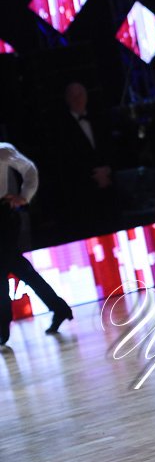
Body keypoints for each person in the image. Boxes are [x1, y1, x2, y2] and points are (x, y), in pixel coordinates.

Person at [0, 142, 73, 345]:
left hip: (3, 217)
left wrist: (25, 196)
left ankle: (3, 326)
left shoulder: (2, 149)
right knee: (19, 268)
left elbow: (29, 169)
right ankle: (59, 308)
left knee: (5, 269)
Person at [56, 82, 116, 240]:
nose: (77, 99)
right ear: (67, 100)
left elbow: (111, 149)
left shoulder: (99, 119)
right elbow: (66, 161)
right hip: (83, 195)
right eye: (73, 96)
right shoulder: (61, 128)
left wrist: (107, 170)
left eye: (80, 95)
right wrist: (93, 175)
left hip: (108, 189)